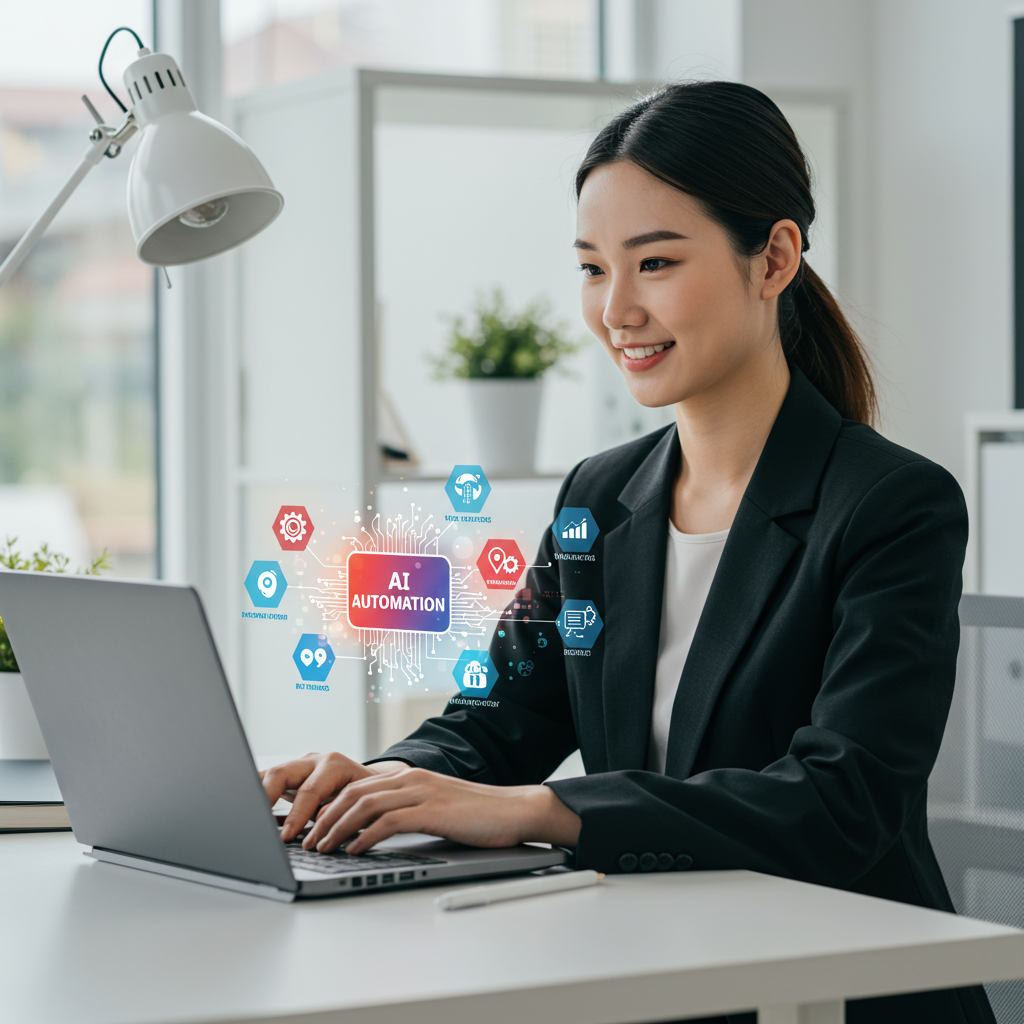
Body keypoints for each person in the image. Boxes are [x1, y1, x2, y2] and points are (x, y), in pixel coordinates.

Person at [262, 82, 992, 1024]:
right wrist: (372, 790)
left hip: (836, 989)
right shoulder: (599, 499)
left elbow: (840, 801)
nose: (616, 310)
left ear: (774, 257)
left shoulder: (892, 505)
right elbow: (495, 719)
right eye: (592, 268)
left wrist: (547, 810)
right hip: (650, 971)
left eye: (653, 263)